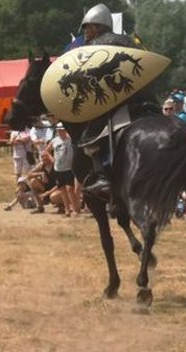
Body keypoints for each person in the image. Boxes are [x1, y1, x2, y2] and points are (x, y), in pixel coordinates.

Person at [70, 3, 151, 200]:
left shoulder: (93, 47)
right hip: (142, 100)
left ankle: (101, 177)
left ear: (97, 27)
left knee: (88, 137)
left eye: (87, 28)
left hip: (114, 102)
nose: (86, 33)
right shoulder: (129, 42)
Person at [46, 122, 78, 216]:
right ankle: (67, 209)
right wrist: (52, 159)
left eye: (63, 130)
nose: (61, 132)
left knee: (70, 189)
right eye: (59, 130)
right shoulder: (55, 140)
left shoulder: (70, 139)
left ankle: (75, 209)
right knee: (62, 190)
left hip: (69, 168)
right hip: (58, 168)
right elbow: (47, 151)